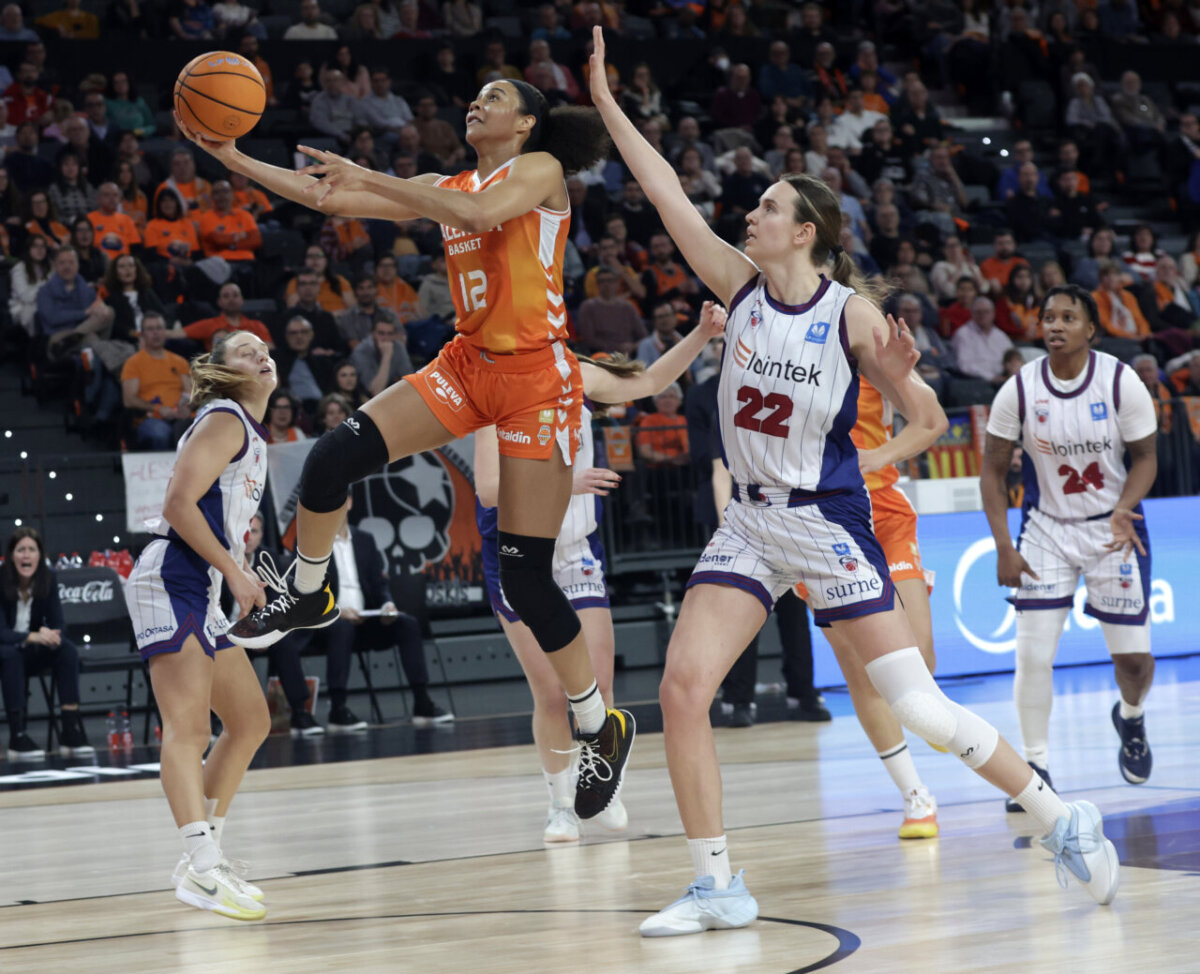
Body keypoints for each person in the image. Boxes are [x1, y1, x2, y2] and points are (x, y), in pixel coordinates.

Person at [587, 27, 1120, 936]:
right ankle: (717, 885)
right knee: (681, 689)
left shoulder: (852, 317)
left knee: (919, 706)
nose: (749, 215)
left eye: (766, 207)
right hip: (748, 523)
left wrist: (897, 398)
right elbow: (666, 190)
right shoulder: (737, 285)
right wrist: (605, 103)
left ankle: (1060, 816)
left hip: (827, 524)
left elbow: (927, 416)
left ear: (805, 232)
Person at [176, 76, 635, 821]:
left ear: (526, 123)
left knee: (526, 576)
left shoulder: (541, 171)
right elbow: (328, 197)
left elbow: (478, 213)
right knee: (331, 459)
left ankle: (597, 724)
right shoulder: (443, 186)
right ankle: (311, 589)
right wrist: (234, 157)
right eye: (475, 94)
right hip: (467, 365)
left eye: (494, 97)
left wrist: (374, 177)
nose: (477, 102)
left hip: (534, 381)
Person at [474, 303, 725, 841]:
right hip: (517, 558)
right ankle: (559, 804)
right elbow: (489, 490)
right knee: (550, 692)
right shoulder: (493, 392)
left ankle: (601, 786)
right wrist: (564, 482)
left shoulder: (579, 374)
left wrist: (703, 333)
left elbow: (651, 380)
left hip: (575, 551)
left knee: (598, 684)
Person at [981, 285, 1158, 807]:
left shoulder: (1120, 382)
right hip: (1046, 529)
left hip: (1113, 528)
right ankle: (1034, 768)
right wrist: (1003, 545)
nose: (1055, 325)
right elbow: (992, 471)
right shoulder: (1018, 389)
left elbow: (1146, 457)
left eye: (1068, 317)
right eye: (1048, 317)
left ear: (1091, 330)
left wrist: (1125, 506)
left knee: (1134, 662)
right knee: (1033, 655)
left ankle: (1131, 717)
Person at [122, 331, 275, 921]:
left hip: (201, 583)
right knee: (187, 728)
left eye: (263, 348)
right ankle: (203, 867)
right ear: (221, 369)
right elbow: (178, 505)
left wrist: (235, 570)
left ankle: (205, 856)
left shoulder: (250, 430)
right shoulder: (225, 418)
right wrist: (235, 572)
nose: (261, 354)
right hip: (172, 575)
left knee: (250, 721)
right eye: (245, 350)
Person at [1, 527, 94, 760]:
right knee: (10, 654)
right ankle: (17, 736)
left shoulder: (48, 578)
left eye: (32, 550)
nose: (26, 555)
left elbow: (59, 624)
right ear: (11, 555)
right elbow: (1, 633)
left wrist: (50, 634)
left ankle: (70, 731)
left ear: (40, 555)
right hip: (6, 652)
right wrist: (32, 636)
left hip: (30, 652)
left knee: (67, 650)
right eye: (20, 550)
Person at [121, 311, 193, 451]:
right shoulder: (133, 363)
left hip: (179, 416)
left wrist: (186, 407)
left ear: (165, 332)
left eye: (159, 328)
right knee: (160, 433)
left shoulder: (180, 362)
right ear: (143, 334)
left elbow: (190, 393)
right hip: (150, 418)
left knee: (196, 430)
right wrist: (158, 409)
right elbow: (129, 400)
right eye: (150, 329)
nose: (156, 333)